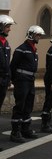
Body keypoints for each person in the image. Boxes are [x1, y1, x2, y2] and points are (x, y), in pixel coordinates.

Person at [10, 25, 45, 143]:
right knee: (20, 105)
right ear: (31, 35)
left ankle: (25, 129)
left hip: (30, 80)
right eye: (38, 35)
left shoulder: (33, 49)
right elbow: (13, 66)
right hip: (22, 80)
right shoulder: (22, 49)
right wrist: (14, 80)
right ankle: (15, 132)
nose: (39, 37)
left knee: (28, 105)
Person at [0, 15, 16, 151]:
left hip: (3, 81)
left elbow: (7, 64)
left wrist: (9, 78)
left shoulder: (5, 43)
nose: (9, 29)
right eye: (7, 26)